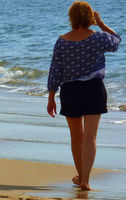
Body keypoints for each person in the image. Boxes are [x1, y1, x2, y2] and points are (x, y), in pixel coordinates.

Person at [47, 1, 121, 190]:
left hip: (70, 91)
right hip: (93, 89)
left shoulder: (62, 41)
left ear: (71, 18)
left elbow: (55, 70)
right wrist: (101, 23)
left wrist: (51, 96)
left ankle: (81, 177)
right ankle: (85, 179)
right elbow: (116, 40)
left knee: (76, 138)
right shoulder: (98, 38)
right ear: (90, 18)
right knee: (90, 137)